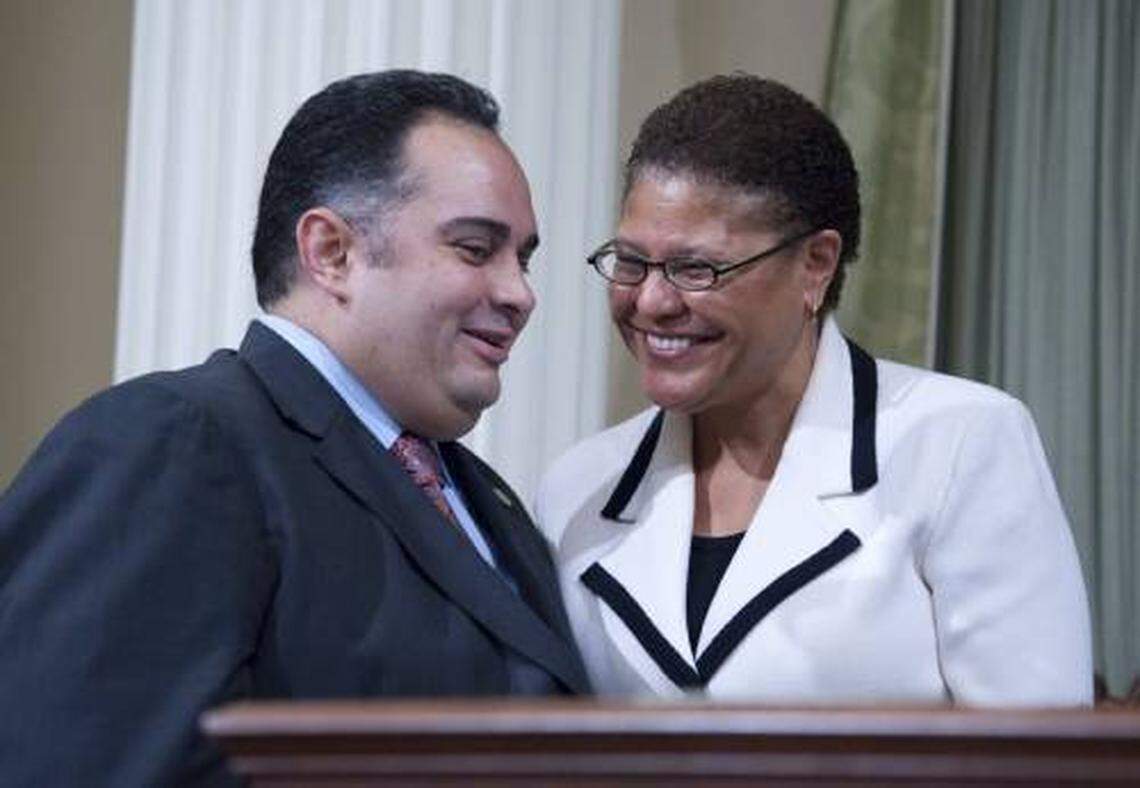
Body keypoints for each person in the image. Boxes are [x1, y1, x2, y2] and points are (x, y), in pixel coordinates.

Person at [0, 70, 589, 787]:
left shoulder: (485, 498)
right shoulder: (171, 442)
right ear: (332, 252)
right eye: (474, 248)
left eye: (523, 259)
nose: (519, 293)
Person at [535, 74, 1091, 706]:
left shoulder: (960, 444)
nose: (652, 301)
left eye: (696, 268)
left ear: (816, 265)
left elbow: (1036, 759)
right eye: (632, 262)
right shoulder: (577, 489)